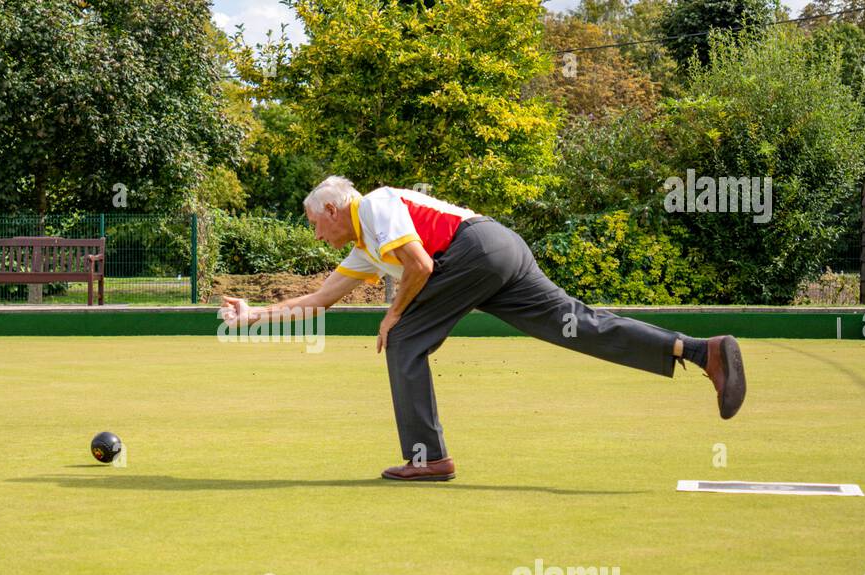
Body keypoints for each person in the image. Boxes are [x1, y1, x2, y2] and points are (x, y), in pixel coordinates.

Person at [220, 176, 746, 482]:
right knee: (577, 325)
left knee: (403, 338)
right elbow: (320, 299)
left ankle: (428, 459)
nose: (316, 235)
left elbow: (421, 266)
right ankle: (701, 352)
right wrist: (253, 315)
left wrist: (394, 312)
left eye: (315, 223)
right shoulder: (363, 246)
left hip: (474, 250)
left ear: (333, 209)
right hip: (499, 251)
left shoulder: (376, 204)